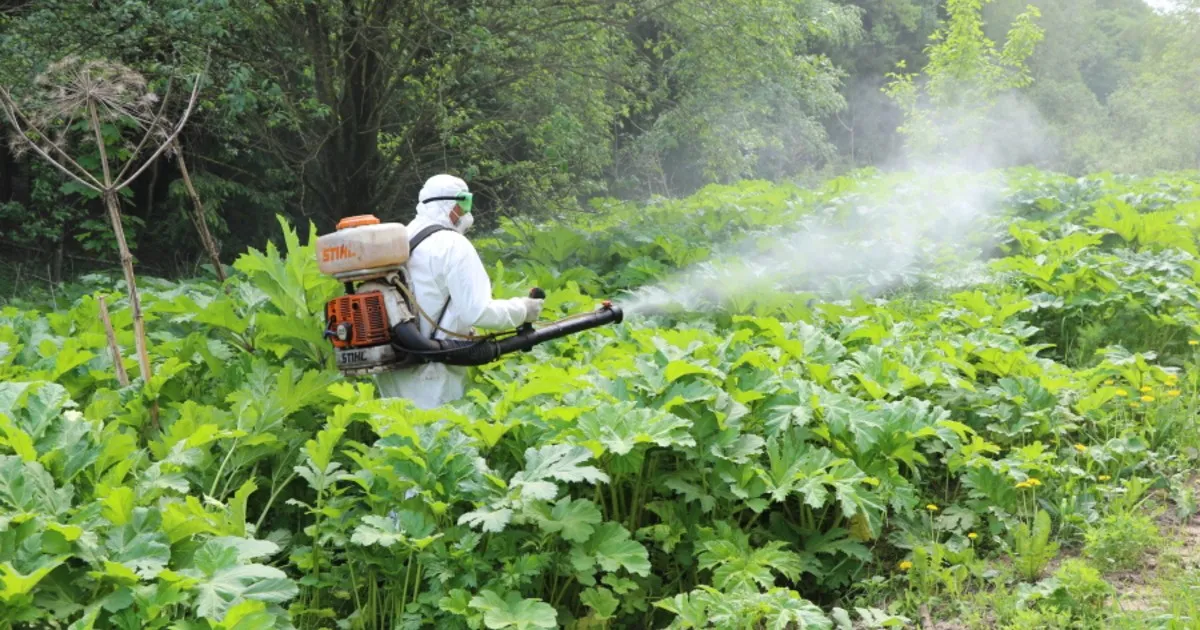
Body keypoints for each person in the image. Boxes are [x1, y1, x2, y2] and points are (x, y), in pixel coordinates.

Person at [375, 174, 543, 409]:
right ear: (452, 205)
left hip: (393, 372)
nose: (467, 214)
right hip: (434, 373)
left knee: (397, 438)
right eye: (465, 205)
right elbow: (479, 312)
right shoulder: (452, 245)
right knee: (439, 441)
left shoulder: (397, 239)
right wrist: (524, 310)